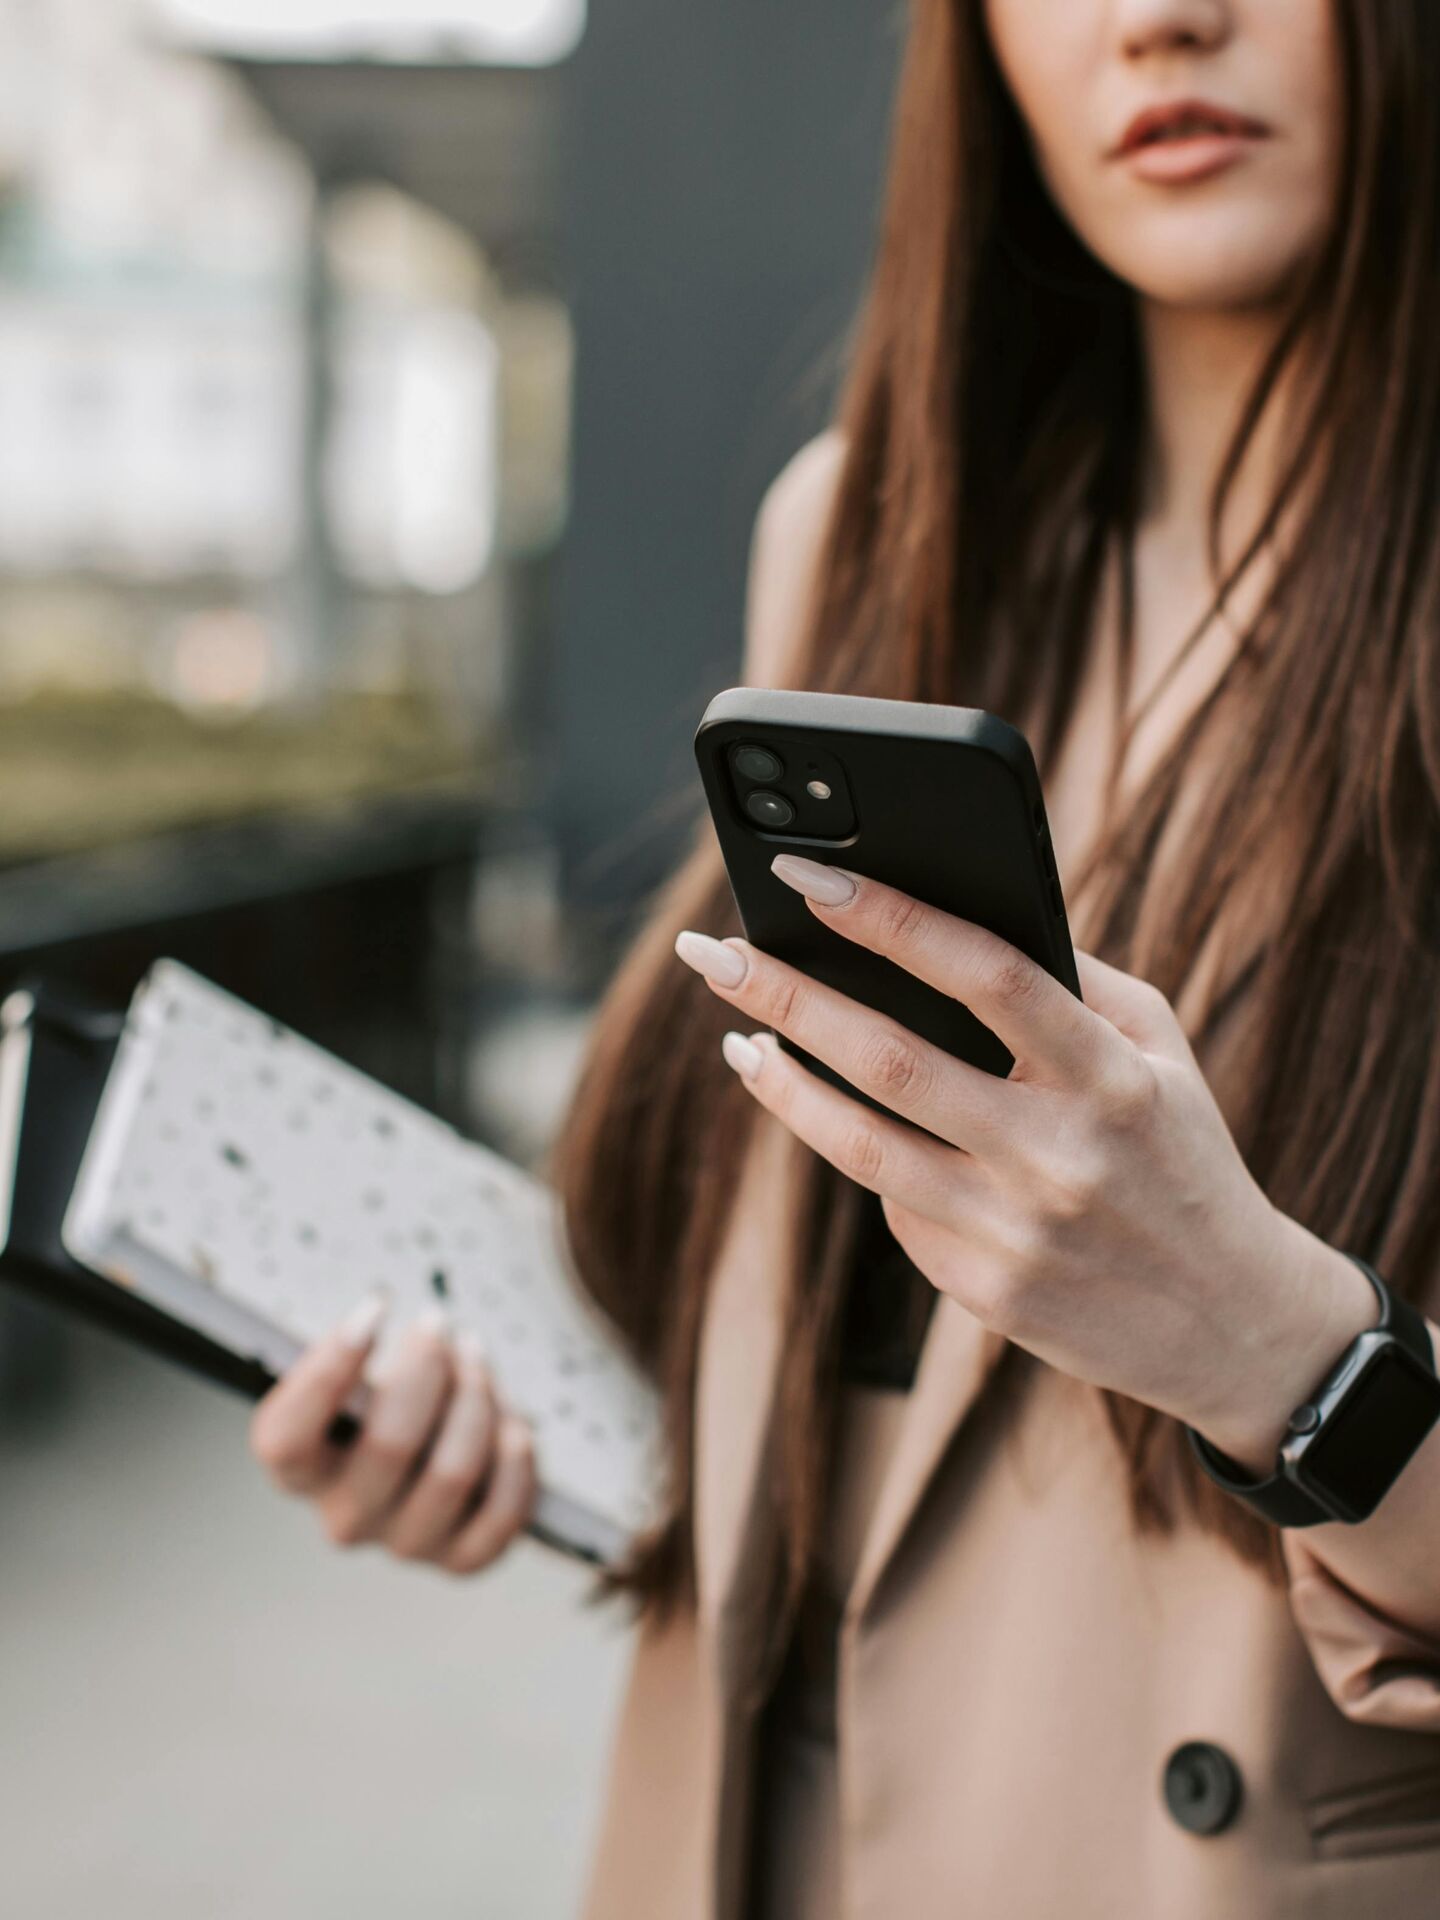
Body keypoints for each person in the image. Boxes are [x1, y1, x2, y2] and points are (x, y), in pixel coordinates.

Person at [249, 1, 1440, 1912]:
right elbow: (817, 1318)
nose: (1161, 22)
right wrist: (490, 1413)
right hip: (757, 1832)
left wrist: (1286, 1355)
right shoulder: (870, 530)